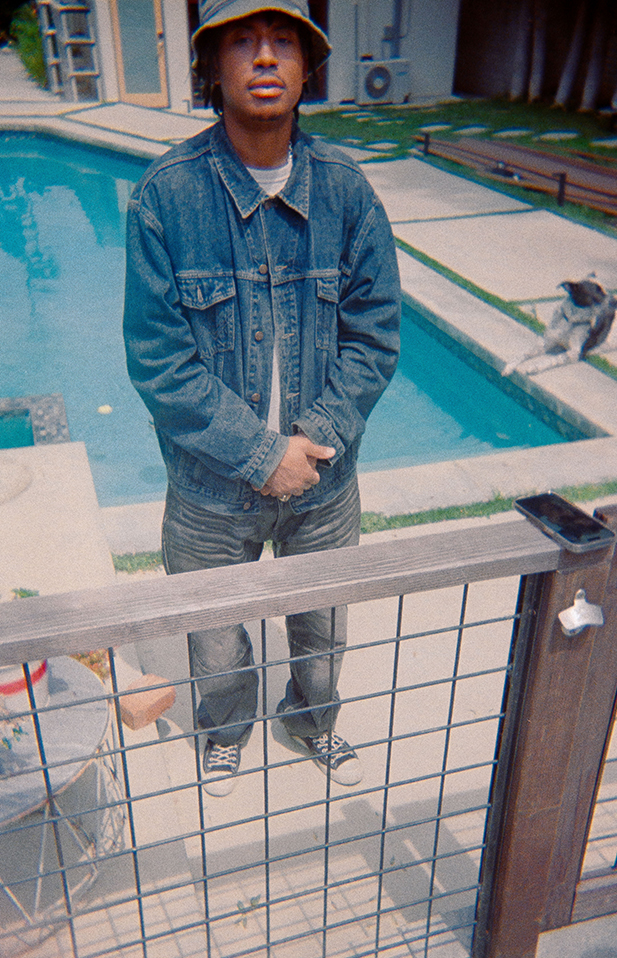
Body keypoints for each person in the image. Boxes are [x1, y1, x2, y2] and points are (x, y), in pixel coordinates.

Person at [123, 0, 400, 797]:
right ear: (212, 68)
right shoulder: (165, 197)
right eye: (243, 40)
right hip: (209, 491)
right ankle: (225, 730)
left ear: (309, 68)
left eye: (284, 40)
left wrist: (309, 444)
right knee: (214, 641)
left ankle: (311, 721)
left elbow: (375, 336)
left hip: (323, 480)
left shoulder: (347, 193)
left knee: (323, 632)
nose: (266, 56)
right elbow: (158, 361)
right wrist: (259, 454)